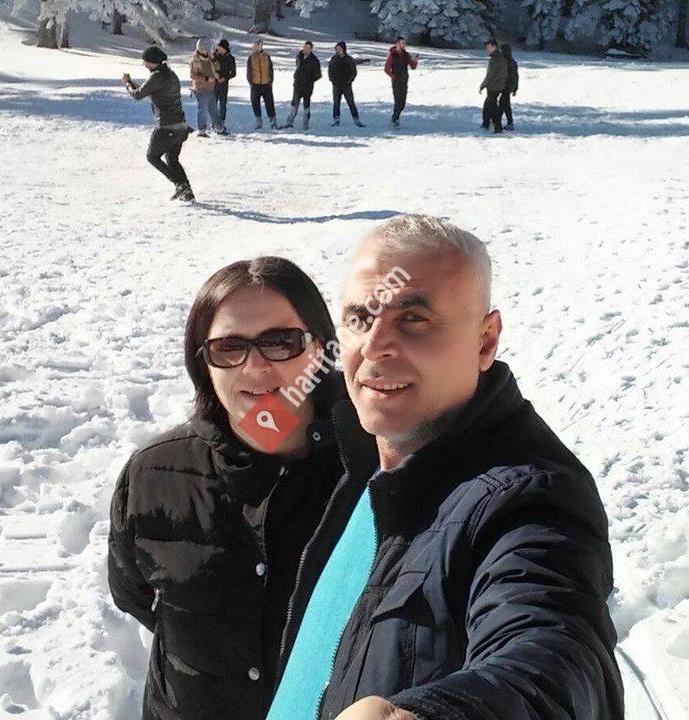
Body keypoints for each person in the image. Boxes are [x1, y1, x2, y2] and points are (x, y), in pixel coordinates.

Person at [268, 215, 624, 720]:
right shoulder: (369, 454)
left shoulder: (527, 498)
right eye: (360, 318)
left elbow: (554, 658)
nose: (374, 345)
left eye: (414, 318)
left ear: (485, 341)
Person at [108, 257, 348, 720]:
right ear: (203, 362)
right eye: (228, 348)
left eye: (280, 342)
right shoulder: (154, 474)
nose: (255, 367)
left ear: (320, 349)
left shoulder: (373, 465)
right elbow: (135, 594)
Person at [122, 45, 194, 202]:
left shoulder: (156, 77)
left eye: (145, 62)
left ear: (153, 62)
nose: (144, 65)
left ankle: (179, 185)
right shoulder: (170, 74)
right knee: (172, 159)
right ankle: (187, 191)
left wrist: (127, 83)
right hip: (181, 126)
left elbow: (137, 94)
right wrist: (132, 83)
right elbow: (146, 91)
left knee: (152, 156)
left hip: (166, 126)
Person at [190, 38, 227, 137]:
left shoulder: (210, 59)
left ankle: (218, 128)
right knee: (203, 109)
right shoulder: (196, 60)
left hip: (211, 88)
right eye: (207, 49)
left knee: (214, 109)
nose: (209, 51)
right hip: (201, 88)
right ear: (202, 48)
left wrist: (214, 59)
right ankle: (201, 130)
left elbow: (217, 68)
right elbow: (193, 75)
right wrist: (206, 79)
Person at [281, 41, 322, 130]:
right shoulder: (299, 56)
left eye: (307, 48)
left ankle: (305, 124)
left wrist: (309, 80)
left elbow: (318, 75)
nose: (305, 49)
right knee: (294, 104)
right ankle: (289, 122)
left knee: (306, 105)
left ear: (311, 49)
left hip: (307, 87)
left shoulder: (314, 60)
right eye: (304, 47)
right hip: (297, 85)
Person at [328, 41, 364, 127]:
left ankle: (356, 119)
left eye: (339, 48)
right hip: (336, 85)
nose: (338, 50)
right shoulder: (334, 59)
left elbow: (354, 71)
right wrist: (332, 79)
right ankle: (336, 120)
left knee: (351, 102)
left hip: (346, 85)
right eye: (337, 49)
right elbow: (330, 70)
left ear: (344, 49)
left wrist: (349, 81)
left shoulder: (349, 59)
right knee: (336, 103)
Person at [384, 37, 418, 128]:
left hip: (404, 80)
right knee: (397, 100)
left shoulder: (406, 55)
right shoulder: (392, 55)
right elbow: (386, 69)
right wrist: (393, 77)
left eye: (405, 43)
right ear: (397, 44)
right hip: (396, 81)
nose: (404, 45)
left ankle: (395, 117)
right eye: (402, 43)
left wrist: (415, 60)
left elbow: (413, 66)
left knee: (402, 102)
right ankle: (395, 119)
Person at [480, 38, 508, 134]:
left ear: (494, 47)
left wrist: (483, 84)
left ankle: (497, 126)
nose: (487, 49)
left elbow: (491, 74)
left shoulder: (496, 59)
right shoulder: (498, 57)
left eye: (488, 47)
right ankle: (487, 124)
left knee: (492, 106)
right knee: (489, 105)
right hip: (496, 85)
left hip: (494, 86)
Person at [247, 40, 277, 130]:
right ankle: (258, 121)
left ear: (260, 47)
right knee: (255, 103)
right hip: (255, 84)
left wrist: (270, 81)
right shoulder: (251, 58)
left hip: (266, 84)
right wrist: (251, 82)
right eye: (254, 46)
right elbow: (249, 71)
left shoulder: (267, 57)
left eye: (256, 46)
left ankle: (272, 121)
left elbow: (271, 69)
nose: (254, 48)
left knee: (269, 103)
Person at [213, 38, 237, 127]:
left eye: (220, 47)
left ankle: (221, 123)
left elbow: (233, 73)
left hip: (223, 85)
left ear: (224, 48)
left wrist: (225, 78)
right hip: (214, 83)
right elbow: (209, 67)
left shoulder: (230, 58)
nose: (218, 48)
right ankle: (214, 122)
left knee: (222, 104)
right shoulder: (214, 56)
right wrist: (214, 74)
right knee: (213, 103)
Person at [499, 42, 519, 131]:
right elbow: (516, 77)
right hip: (508, 87)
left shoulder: (504, 62)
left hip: (505, 86)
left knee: (503, 105)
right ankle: (506, 122)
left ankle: (501, 122)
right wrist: (515, 88)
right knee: (504, 105)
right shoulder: (512, 62)